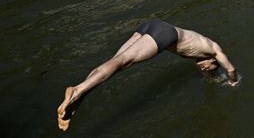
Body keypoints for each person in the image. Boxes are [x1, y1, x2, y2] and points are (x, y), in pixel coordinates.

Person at [57, 20, 238, 131]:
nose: (205, 69)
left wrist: (213, 80)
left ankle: (79, 96)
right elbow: (230, 69)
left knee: (115, 62)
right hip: (165, 33)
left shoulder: (201, 52)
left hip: (153, 26)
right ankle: (77, 90)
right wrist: (233, 83)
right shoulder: (215, 50)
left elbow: (207, 73)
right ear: (214, 61)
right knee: (123, 61)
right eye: (210, 68)